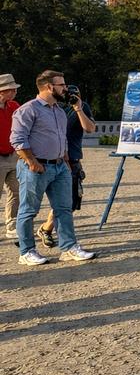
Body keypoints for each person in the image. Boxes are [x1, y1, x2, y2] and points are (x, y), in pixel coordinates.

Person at [10, 70, 95, 265]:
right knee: (28, 210)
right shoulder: (28, 109)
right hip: (36, 167)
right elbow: (17, 139)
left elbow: (62, 139)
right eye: (62, 85)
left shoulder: (58, 110)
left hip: (59, 167)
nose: (65, 89)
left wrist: (65, 161)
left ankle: (68, 248)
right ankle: (27, 252)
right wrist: (32, 162)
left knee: (64, 209)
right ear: (49, 87)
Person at [35, 84, 95, 249]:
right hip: (52, 159)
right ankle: (51, 235)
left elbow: (90, 129)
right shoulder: (53, 108)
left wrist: (78, 108)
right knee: (59, 202)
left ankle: (47, 229)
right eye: (69, 93)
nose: (71, 97)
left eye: (76, 95)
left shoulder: (82, 108)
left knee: (69, 202)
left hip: (72, 158)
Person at [1, 73, 22, 239]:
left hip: (13, 156)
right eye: (12, 89)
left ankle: (12, 225)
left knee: (16, 192)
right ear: (2, 91)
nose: (15, 91)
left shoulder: (14, 106)